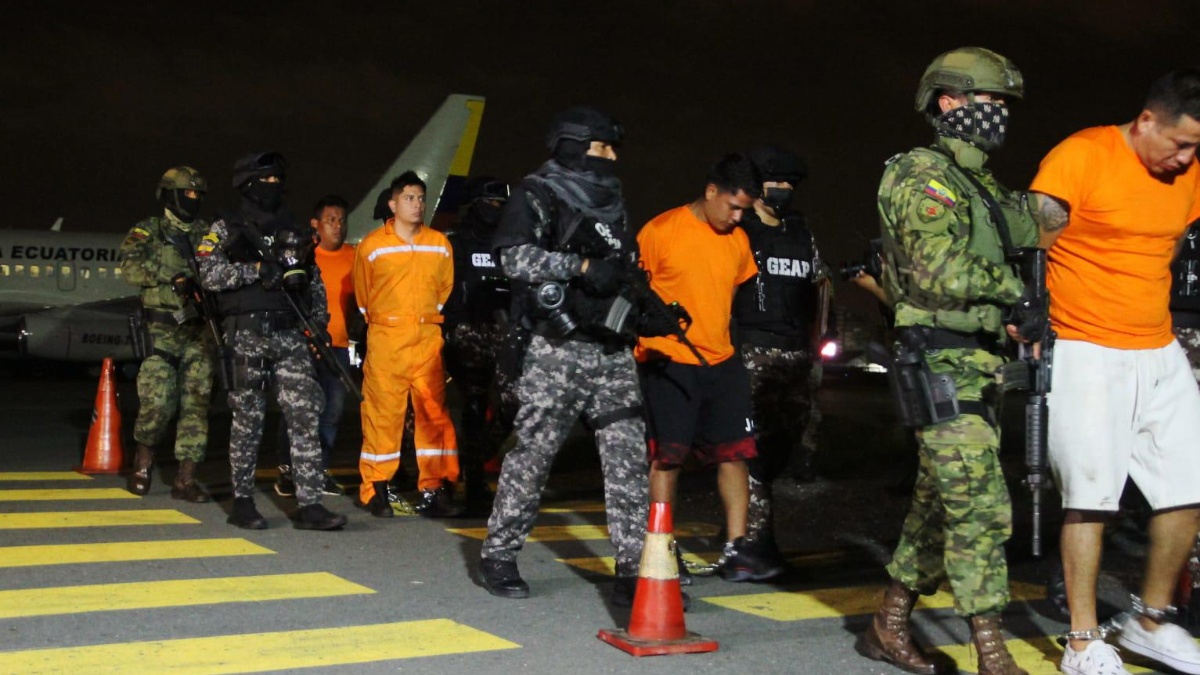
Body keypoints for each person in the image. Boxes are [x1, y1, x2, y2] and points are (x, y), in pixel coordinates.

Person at [863, 47, 1038, 675]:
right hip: (939, 361)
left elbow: (1037, 223)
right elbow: (936, 268)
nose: (998, 116)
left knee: (940, 506)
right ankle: (991, 652)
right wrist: (1016, 291)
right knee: (981, 506)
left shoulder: (981, 184)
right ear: (949, 102)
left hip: (980, 364)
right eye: (990, 102)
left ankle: (887, 624)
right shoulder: (919, 174)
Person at [1029, 67, 1200, 675]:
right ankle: (1082, 641)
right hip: (1085, 348)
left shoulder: (1188, 173)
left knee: (1189, 487)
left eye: (1196, 148)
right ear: (1146, 119)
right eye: (1178, 142)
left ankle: (1150, 621)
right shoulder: (1083, 155)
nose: (1185, 158)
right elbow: (1033, 244)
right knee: (1091, 497)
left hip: (1158, 348)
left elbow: (1170, 242)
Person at [480, 106, 650, 606]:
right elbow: (512, 257)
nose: (613, 157)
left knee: (627, 460)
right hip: (557, 348)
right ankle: (499, 554)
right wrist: (577, 264)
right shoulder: (537, 193)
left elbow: (622, 264)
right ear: (575, 146)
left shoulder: (614, 201)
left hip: (611, 348)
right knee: (533, 454)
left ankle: (634, 568)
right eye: (604, 147)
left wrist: (640, 300)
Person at [637, 152, 783, 584]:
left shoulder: (737, 241)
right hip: (668, 360)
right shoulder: (661, 231)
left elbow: (729, 302)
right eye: (733, 206)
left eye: (745, 209)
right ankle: (662, 549)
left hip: (721, 361)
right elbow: (634, 295)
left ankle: (738, 548)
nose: (738, 217)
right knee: (668, 458)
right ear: (711, 191)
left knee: (735, 454)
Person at [197, 151, 347, 532]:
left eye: (277, 179)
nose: (272, 186)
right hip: (246, 332)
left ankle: (310, 503)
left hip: (289, 333)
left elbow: (312, 282)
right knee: (248, 417)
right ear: (246, 183)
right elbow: (209, 274)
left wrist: (317, 327)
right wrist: (255, 270)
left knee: (305, 412)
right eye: (265, 180)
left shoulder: (293, 228)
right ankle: (243, 500)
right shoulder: (225, 225)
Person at [733, 145, 828, 567]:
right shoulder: (740, 230)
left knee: (781, 447)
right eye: (777, 182)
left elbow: (818, 283)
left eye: (791, 183)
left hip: (795, 355)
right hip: (752, 350)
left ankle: (748, 522)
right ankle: (754, 540)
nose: (784, 189)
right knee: (748, 448)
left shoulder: (800, 231)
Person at [354, 170, 461, 519]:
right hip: (387, 339)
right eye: (409, 198)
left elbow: (444, 292)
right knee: (383, 416)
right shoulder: (372, 246)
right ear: (392, 203)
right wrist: (391, 322)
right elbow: (363, 297)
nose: (417, 205)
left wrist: (423, 320)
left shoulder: (439, 244)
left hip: (427, 339)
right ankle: (376, 488)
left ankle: (435, 488)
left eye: (420, 198)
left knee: (433, 415)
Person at [120, 166, 215, 503]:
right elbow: (130, 267)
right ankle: (142, 464)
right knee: (157, 403)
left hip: (198, 330)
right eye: (186, 193)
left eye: (197, 194)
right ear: (170, 195)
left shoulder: (208, 233)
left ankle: (185, 480)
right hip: (161, 328)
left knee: (196, 405)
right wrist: (171, 275)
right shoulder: (149, 230)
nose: (193, 199)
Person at [274, 195, 356, 499]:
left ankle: (318, 470)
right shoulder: (304, 256)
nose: (338, 226)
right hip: (304, 345)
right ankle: (287, 470)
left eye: (342, 220)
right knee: (295, 410)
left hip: (338, 345)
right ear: (315, 224)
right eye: (331, 220)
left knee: (332, 411)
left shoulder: (355, 257)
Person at [443, 176, 513, 515]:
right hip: (467, 332)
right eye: (491, 204)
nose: (496, 210)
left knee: (517, 402)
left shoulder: (507, 243)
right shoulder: (455, 242)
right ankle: (473, 484)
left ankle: (476, 456)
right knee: (472, 409)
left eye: (501, 205)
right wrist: (451, 326)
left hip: (502, 332)